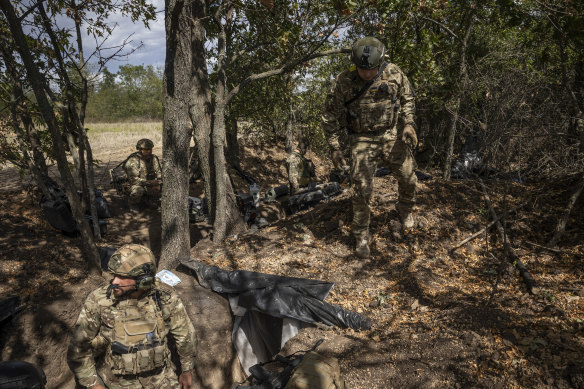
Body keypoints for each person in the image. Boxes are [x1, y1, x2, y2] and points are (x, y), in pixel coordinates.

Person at [322, 37, 418, 259]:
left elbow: (408, 100)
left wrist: (409, 125)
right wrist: (335, 148)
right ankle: (361, 235)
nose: (367, 74)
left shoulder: (394, 73)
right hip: (361, 138)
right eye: (362, 69)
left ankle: (405, 210)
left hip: (390, 134)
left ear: (382, 61)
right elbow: (329, 117)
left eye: (372, 69)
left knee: (408, 176)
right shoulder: (344, 82)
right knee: (362, 189)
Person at [67, 244, 197, 389]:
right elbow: (78, 349)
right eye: (114, 275)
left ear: (144, 280)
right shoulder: (99, 300)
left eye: (122, 277)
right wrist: (93, 384)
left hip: (161, 380)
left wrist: (187, 369)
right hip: (114, 382)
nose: (115, 281)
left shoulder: (165, 298)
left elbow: (185, 335)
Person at [125, 139, 162, 211]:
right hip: (136, 185)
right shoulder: (133, 161)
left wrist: (158, 183)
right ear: (139, 149)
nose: (149, 151)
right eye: (146, 149)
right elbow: (133, 180)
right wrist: (150, 183)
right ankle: (132, 204)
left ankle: (149, 199)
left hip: (150, 184)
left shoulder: (154, 158)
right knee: (138, 191)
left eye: (150, 149)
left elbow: (159, 172)